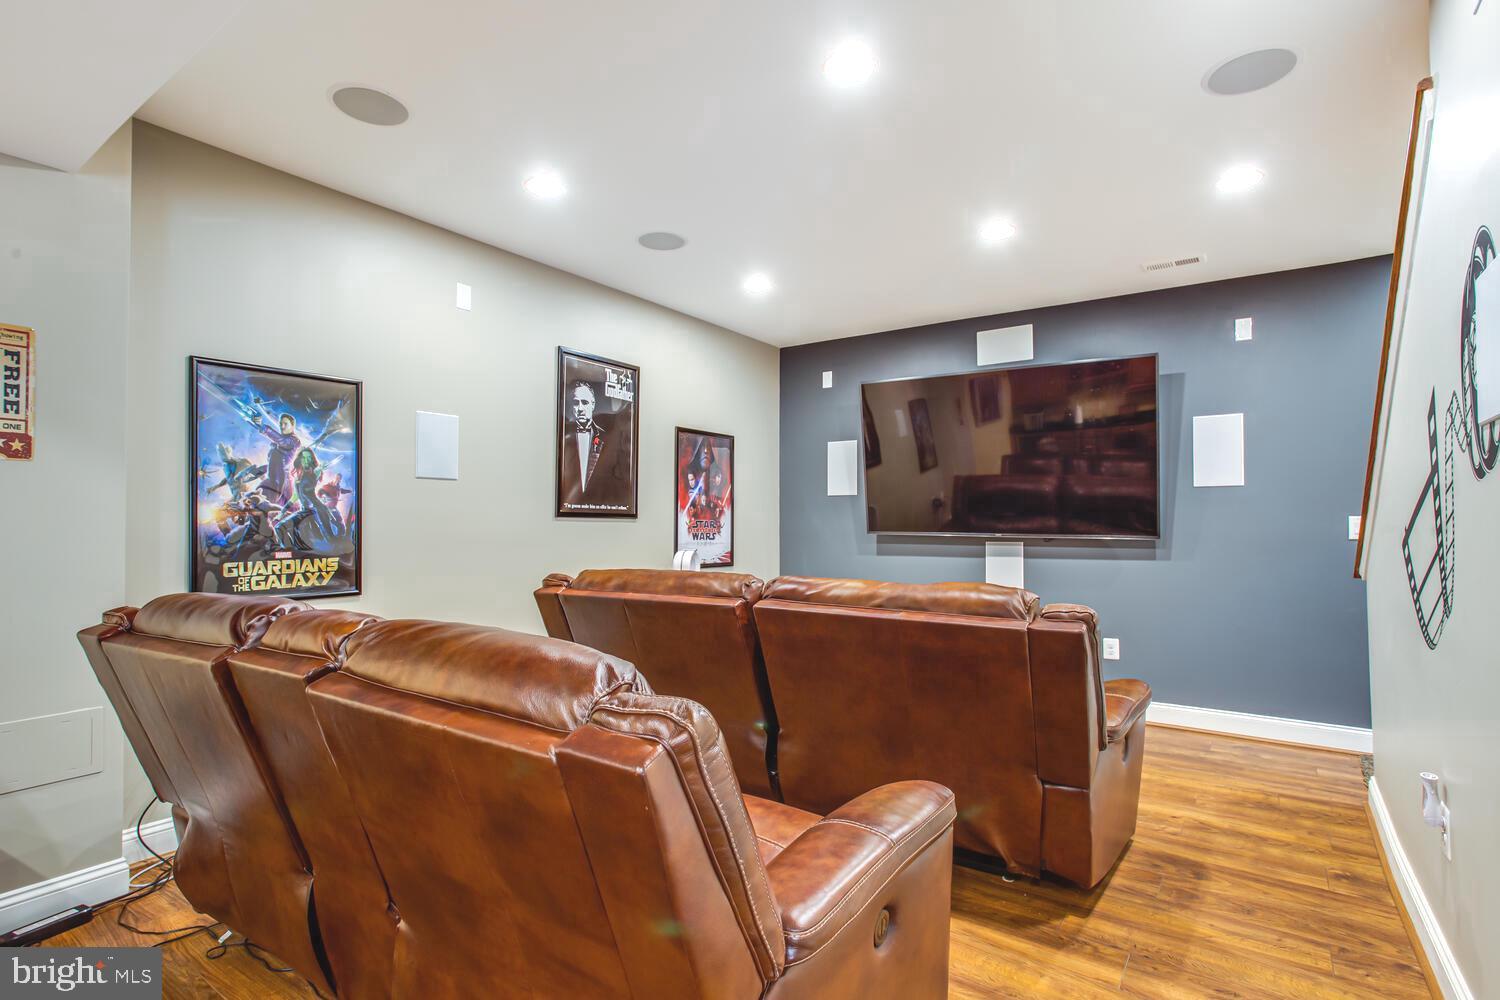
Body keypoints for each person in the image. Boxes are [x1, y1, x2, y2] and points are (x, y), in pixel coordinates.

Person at [559, 381, 632, 509]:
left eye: (585, 403)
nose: (580, 408)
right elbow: (571, 500)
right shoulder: (570, 441)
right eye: (577, 403)